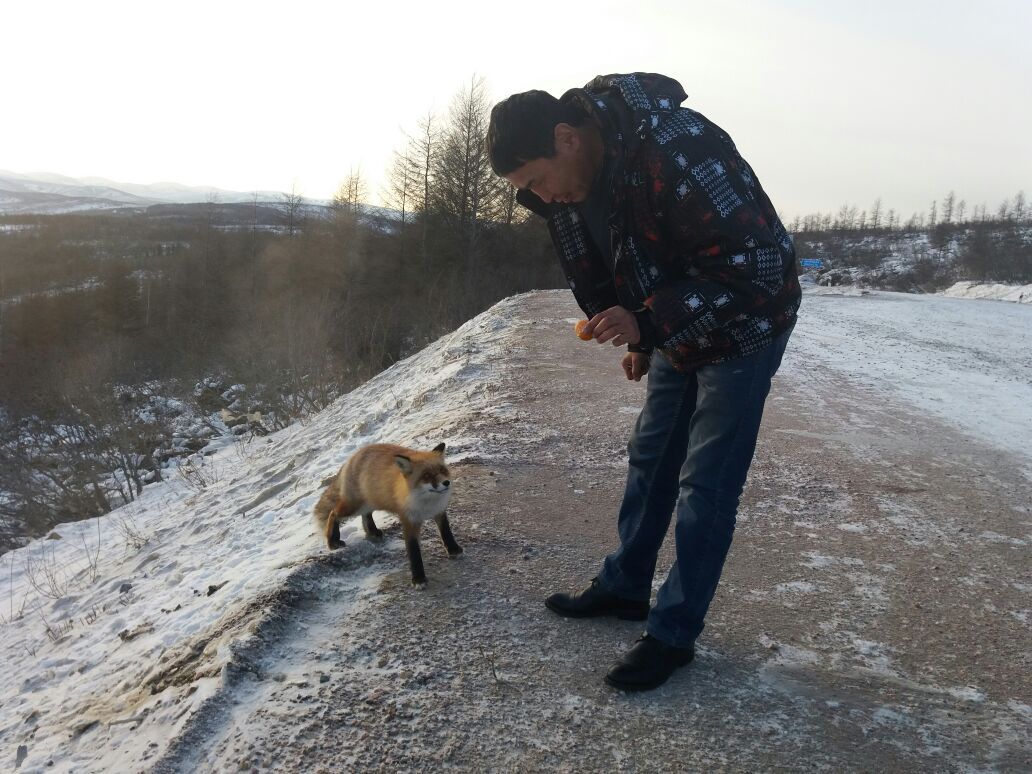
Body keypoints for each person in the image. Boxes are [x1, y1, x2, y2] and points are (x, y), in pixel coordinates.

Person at [487, 73, 801, 692]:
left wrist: (651, 319)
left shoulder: (678, 150)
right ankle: (626, 587)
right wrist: (641, 336)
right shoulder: (566, 190)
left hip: (746, 325)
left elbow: (755, 267)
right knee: (651, 457)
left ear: (566, 138)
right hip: (676, 324)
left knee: (704, 486)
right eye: (527, 190)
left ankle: (673, 633)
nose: (541, 199)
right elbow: (604, 263)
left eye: (536, 181)